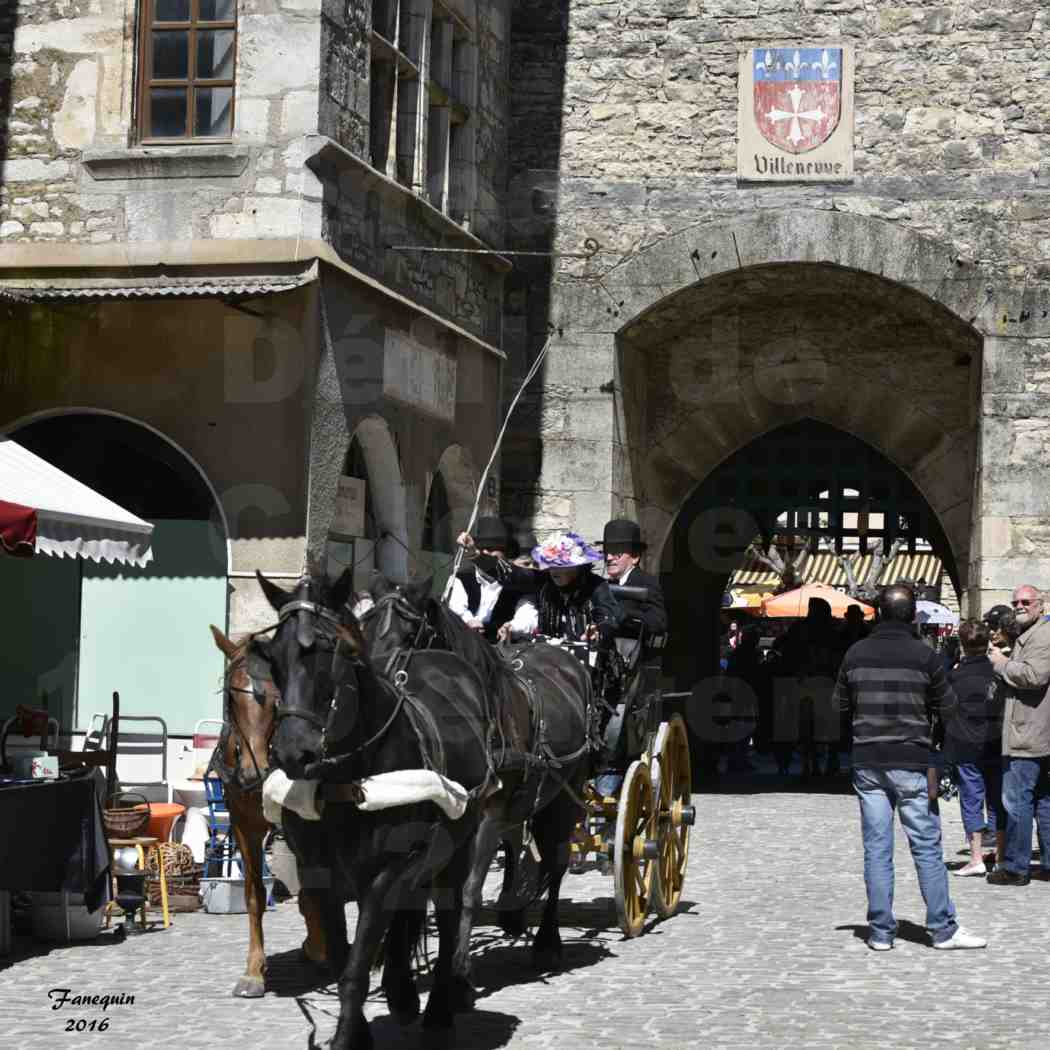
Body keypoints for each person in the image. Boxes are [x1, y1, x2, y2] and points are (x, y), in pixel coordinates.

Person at [833, 584, 986, 950]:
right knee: (925, 846)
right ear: (913, 615)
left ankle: (881, 931)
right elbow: (948, 707)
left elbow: (839, 706)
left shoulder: (855, 654)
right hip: (912, 760)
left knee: (877, 848)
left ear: (879, 613)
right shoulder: (926, 656)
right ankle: (942, 928)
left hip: (869, 762)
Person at [986, 584, 1050, 886]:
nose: (1020, 606)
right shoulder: (1032, 635)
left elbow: (1035, 676)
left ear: (1041, 604)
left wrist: (1002, 665)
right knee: (1042, 800)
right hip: (1035, 730)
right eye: (1016, 602)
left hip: (1028, 733)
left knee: (1017, 800)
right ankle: (1046, 864)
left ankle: (1015, 867)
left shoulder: (1042, 636)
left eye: (1027, 601)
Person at [945, 619, 1005, 877]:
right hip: (996, 740)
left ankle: (976, 857)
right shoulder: (998, 672)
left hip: (965, 743)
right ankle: (1001, 856)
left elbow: (946, 709)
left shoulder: (955, 676)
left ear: (962, 644)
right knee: (997, 799)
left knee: (971, 799)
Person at [447, 516, 537, 643]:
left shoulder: (519, 584)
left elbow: (527, 616)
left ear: (506, 552)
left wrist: (511, 627)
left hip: (503, 648)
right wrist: (469, 621)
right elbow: (456, 608)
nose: (485, 552)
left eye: (491, 548)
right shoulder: (461, 578)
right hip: (467, 645)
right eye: (481, 548)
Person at [598, 519, 667, 637]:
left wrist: (626, 614)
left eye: (616, 553)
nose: (608, 557)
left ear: (635, 557)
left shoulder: (646, 583)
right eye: (606, 552)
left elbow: (659, 623)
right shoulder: (606, 585)